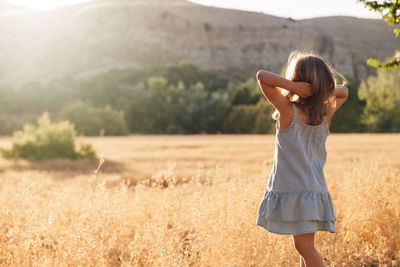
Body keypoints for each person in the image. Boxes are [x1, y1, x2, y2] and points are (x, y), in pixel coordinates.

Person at [255, 50, 349, 267]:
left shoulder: (288, 110)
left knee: (305, 248)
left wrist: (294, 88)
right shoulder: (325, 112)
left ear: (297, 80)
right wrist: (320, 90)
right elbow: (343, 92)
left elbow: (262, 76)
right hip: (313, 190)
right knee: (304, 249)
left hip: (297, 191)